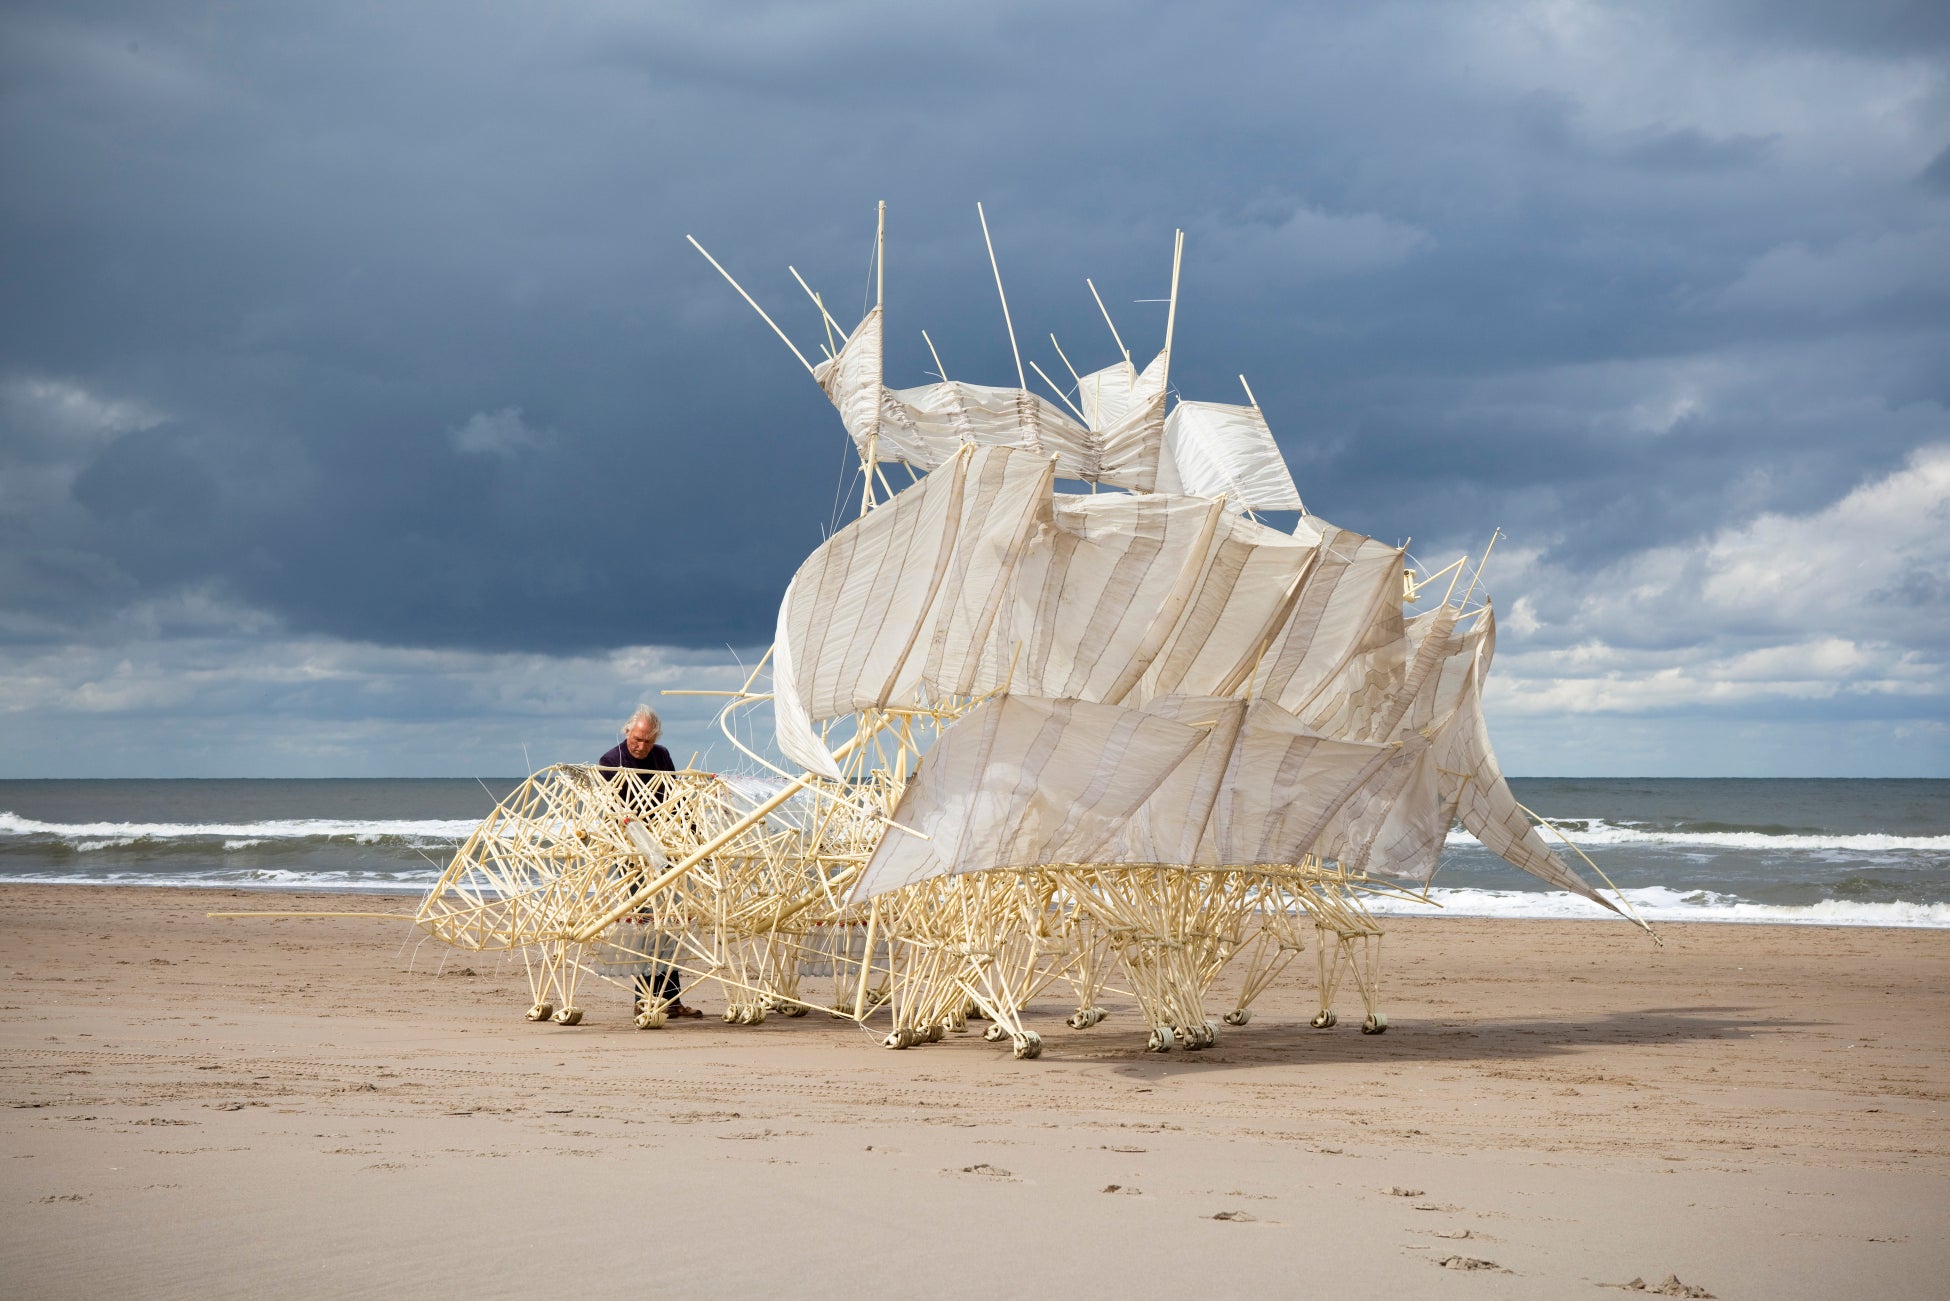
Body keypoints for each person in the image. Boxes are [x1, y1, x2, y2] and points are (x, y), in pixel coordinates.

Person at [596, 706, 702, 1019]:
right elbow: (614, 811)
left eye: (647, 741)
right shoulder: (610, 762)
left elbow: (675, 798)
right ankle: (644, 1000)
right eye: (637, 739)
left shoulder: (661, 756)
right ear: (627, 731)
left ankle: (672, 1000)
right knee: (644, 925)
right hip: (632, 853)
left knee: (669, 924)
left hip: (664, 849)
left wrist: (691, 834)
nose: (641, 746)